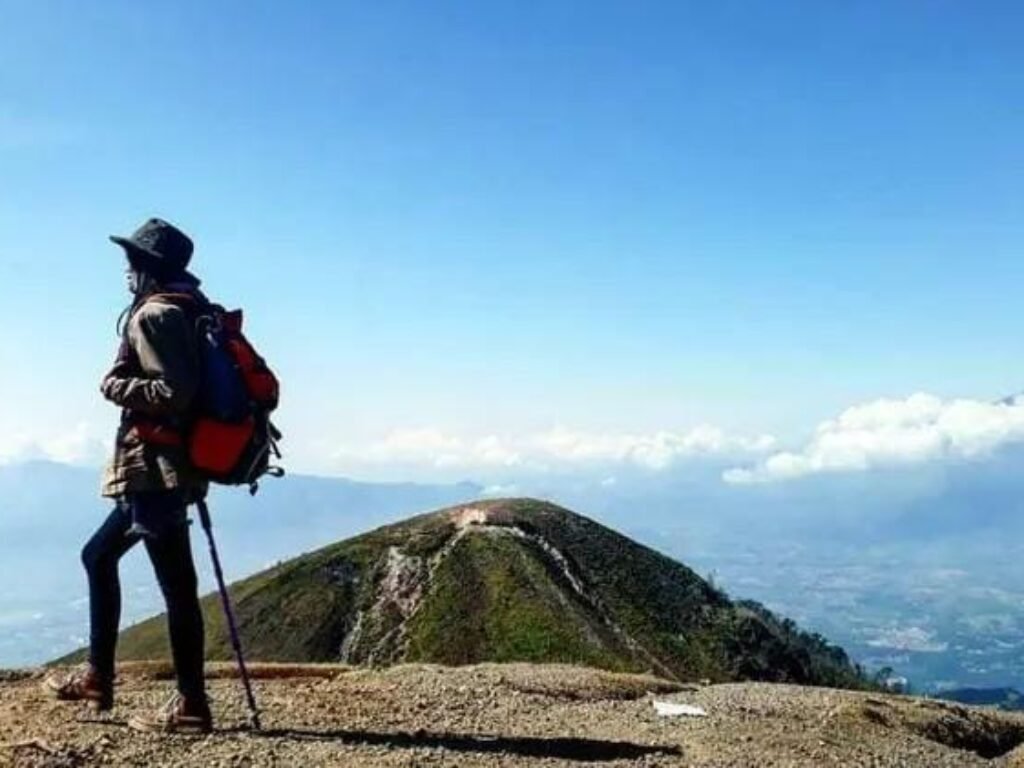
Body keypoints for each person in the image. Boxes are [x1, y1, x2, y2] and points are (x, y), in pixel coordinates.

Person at [44, 218, 213, 734]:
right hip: (165, 468)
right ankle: (100, 676)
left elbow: (173, 393)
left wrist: (115, 385)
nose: (126, 272)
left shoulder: (154, 316)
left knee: (177, 588)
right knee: (98, 556)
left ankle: (190, 706)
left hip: (155, 471)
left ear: (149, 269)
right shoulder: (191, 311)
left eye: (132, 262)